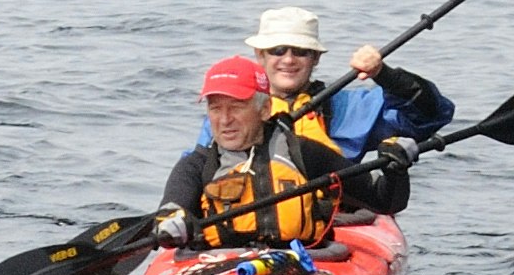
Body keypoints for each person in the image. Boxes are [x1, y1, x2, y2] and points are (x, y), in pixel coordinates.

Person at [153, 52, 393, 252]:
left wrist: (395, 167)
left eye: (236, 107)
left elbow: (385, 201)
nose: (225, 120)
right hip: (220, 268)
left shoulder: (303, 154)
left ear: (265, 109)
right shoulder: (197, 166)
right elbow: (173, 205)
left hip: (301, 261)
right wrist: (171, 221)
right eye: (215, 109)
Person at [245, 4, 448, 210]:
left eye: (300, 51)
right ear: (260, 55)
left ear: (316, 57)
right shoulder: (236, 111)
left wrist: (384, 75)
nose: (288, 59)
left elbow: (430, 115)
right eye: (278, 50)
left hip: (334, 215)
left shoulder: (348, 108)